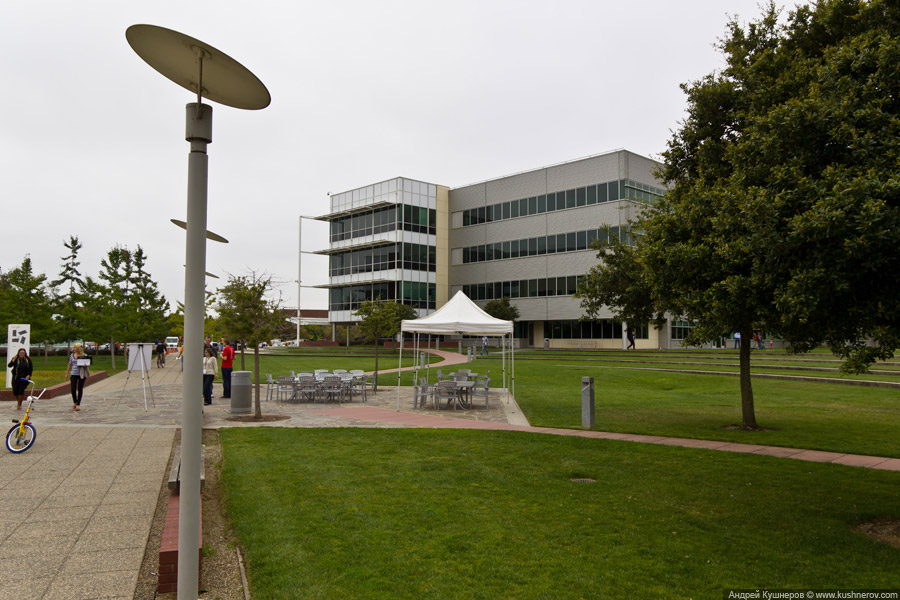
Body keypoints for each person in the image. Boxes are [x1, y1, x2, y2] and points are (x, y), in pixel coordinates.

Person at [64, 342, 90, 411]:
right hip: (73, 374)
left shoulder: (84, 355)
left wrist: (85, 365)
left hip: (81, 373)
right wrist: (67, 373)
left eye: (75, 347)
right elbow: (69, 364)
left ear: (78, 348)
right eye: (73, 347)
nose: (73, 349)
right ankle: (75, 402)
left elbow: (88, 363)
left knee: (80, 388)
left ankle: (78, 404)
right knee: (73, 389)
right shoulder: (72, 355)